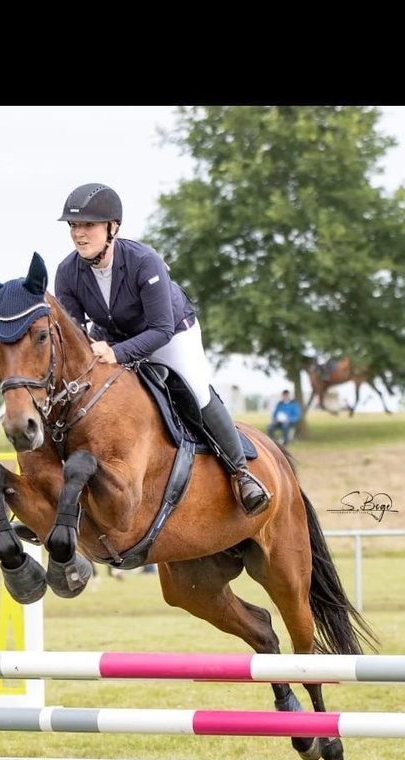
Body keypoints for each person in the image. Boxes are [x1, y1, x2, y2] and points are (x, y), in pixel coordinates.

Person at [54, 182, 270, 516]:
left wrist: (117, 353)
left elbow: (161, 328)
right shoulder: (68, 272)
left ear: (113, 228)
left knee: (196, 392)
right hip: (112, 337)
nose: (79, 234)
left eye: (88, 225)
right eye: (73, 226)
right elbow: (75, 332)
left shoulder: (144, 261)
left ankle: (242, 474)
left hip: (170, 333)